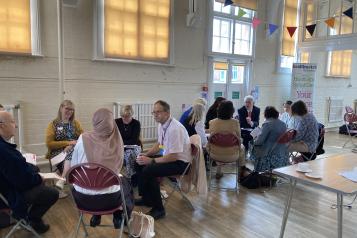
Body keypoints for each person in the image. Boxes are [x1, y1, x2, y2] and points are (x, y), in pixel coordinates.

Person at [70, 108, 131, 229]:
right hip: (110, 200)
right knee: (125, 184)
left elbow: (73, 167)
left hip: (82, 199)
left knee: (95, 181)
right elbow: (118, 168)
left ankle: (96, 215)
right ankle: (119, 215)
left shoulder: (82, 139)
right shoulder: (117, 141)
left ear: (95, 122)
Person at [0, 111, 59, 234]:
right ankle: (31, 218)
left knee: (35, 170)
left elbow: (18, 169)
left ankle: (32, 219)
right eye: (12, 122)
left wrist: (33, 172)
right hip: (12, 194)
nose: (15, 125)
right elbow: (24, 181)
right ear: (1, 125)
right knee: (52, 193)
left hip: (8, 188)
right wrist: (39, 178)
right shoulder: (4, 151)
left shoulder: (4, 147)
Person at [135, 100, 191, 220]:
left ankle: (159, 209)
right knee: (138, 163)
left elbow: (174, 156)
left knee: (149, 170)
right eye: (154, 112)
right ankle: (147, 199)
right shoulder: (162, 124)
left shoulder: (175, 129)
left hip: (181, 163)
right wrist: (145, 155)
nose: (155, 115)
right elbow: (160, 145)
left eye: (158, 112)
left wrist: (151, 161)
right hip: (170, 158)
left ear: (167, 113)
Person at [45, 100, 83, 196]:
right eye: (67, 108)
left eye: (72, 110)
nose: (69, 111)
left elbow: (83, 138)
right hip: (56, 153)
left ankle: (62, 179)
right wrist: (68, 143)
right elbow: (49, 144)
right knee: (73, 152)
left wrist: (71, 146)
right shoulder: (53, 124)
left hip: (73, 151)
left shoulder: (75, 123)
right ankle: (66, 180)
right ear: (61, 108)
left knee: (73, 151)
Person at [208, 100, 247, 180]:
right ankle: (241, 172)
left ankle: (218, 171)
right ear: (232, 111)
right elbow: (239, 138)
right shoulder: (235, 123)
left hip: (214, 154)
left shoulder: (212, 122)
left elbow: (211, 137)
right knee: (242, 147)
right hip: (232, 155)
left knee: (217, 144)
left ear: (219, 110)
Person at [249, 106, 289, 172]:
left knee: (251, 143)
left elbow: (260, 141)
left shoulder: (267, 124)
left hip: (269, 152)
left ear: (266, 114)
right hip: (281, 152)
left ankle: (257, 168)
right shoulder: (283, 124)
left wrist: (254, 140)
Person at [115, 105, 141, 185]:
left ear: (131, 115)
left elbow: (134, 140)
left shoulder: (136, 123)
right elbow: (114, 136)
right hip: (119, 146)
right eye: (123, 116)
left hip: (133, 147)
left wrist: (120, 143)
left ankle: (132, 178)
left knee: (129, 155)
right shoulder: (116, 122)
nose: (125, 119)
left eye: (127, 116)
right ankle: (115, 177)